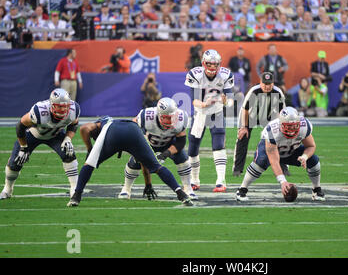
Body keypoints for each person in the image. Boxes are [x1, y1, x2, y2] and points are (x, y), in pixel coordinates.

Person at [67, 116, 193, 207]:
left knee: (89, 164)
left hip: (113, 131)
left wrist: (90, 149)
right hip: (133, 131)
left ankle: (76, 196)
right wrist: (148, 183)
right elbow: (142, 161)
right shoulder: (142, 119)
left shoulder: (103, 123)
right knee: (157, 166)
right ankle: (181, 194)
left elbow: (84, 128)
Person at [0, 89, 80, 200]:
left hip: (55, 135)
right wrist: (23, 147)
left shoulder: (73, 109)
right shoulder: (40, 111)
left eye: (66, 106)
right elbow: (20, 126)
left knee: (68, 153)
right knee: (16, 161)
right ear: (52, 105)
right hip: (33, 134)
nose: (63, 109)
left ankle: (74, 190)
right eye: (59, 106)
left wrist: (68, 139)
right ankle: (7, 189)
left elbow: (74, 124)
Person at [235, 107, 325, 202]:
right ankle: (242, 189)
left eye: (294, 126)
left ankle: (316, 189)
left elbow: (311, 146)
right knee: (261, 161)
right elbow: (274, 160)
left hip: (292, 150)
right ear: (280, 124)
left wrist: (304, 157)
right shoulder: (272, 131)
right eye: (288, 126)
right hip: (272, 149)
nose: (291, 130)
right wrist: (283, 181)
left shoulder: (305, 126)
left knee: (313, 160)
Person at [117, 97, 197, 200]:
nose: (170, 120)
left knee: (183, 158)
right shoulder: (146, 116)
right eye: (167, 117)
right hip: (147, 143)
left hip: (168, 144)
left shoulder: (181, 118)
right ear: (159, 114)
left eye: (172, 117)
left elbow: (180, 142)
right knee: (135, 162)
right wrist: (138, 150)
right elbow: (132, 130)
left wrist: (166, 154)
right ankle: (126, 188)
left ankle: (188, 188)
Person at [185, 49, 234, 192]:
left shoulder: (225, 75)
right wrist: (204, 104)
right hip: (200, 112)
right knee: (193, 146)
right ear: (203, 63)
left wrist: (226, 102)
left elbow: (230, 100)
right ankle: (194, 180)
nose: (212, 68)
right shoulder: (196, 74)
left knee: (218, 144)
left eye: (215, 64)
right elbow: (194, 100)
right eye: (209, 64)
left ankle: (221, 181)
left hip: (216, 112)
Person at [232, 72, 286, 177]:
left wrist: (281, 127)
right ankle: (237, 169)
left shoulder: (278, 92)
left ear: (273, 83)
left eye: (269, 84)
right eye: (264, 84)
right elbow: (245, 109)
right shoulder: (254, 91)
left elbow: (282, 112)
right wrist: (244, 127)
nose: (267, 86)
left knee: (280, 139)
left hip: (269, 117)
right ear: (260, 82)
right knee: (242, 138)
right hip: (250, 116)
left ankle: (283, 167)